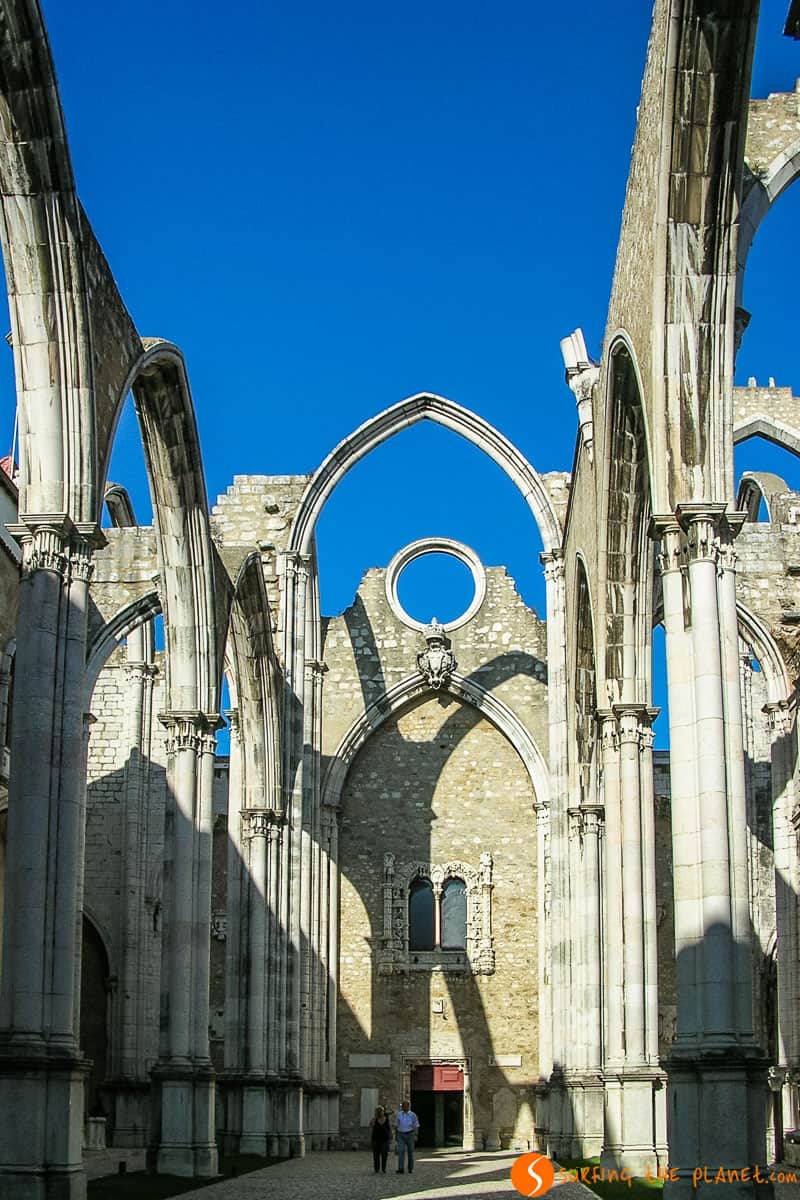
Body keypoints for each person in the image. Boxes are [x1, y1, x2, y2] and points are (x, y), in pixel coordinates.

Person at [395, 1099, 420, 1174]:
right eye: (403, 1106)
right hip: (401, 1134)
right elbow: (396, 1125)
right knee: (401, 1151)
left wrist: (416, 1135)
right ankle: (401, 1168)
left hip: (410, 1134)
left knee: (410, 1152)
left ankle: (410, 1168)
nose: (404, 1107)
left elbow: (416, 1126)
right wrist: (396, 1135)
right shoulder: (399, 1115)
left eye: (405, 1105)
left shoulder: (413, 1115)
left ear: (408, 1106)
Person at [369, 1105, 391, 1174]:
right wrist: (375, 1118)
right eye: (378, 1111)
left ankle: (383, 1168)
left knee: (384, 1155)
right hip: (376, 1139)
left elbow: (389, 1128)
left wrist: (390, 1136)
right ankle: (376, 1168)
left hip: (385, 1139)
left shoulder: (386, 1118)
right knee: (376, 1155)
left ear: (383, 1111)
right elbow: (371, 1125)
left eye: (381, 1111)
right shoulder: (374, 1119)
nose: (380, 1112)